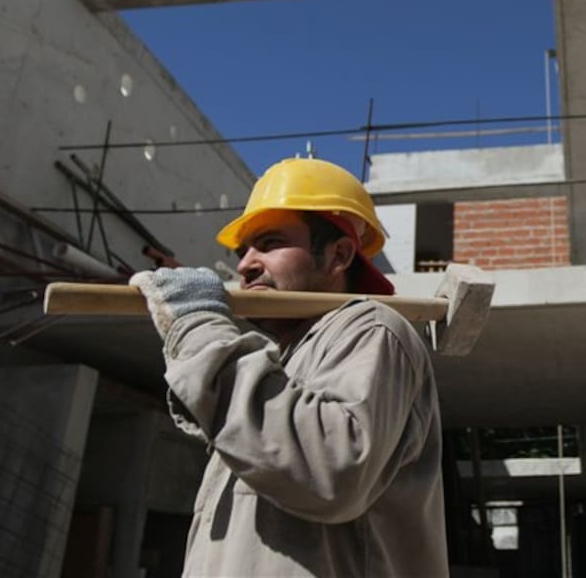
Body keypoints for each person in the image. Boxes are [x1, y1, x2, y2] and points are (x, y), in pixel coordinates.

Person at [129, 157, 448, 577]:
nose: (245, 265)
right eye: (243, 251)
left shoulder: (373, 329)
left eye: (270, 243)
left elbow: (331, 470)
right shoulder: (286, 360)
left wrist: (201, 330)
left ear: (339, 255)